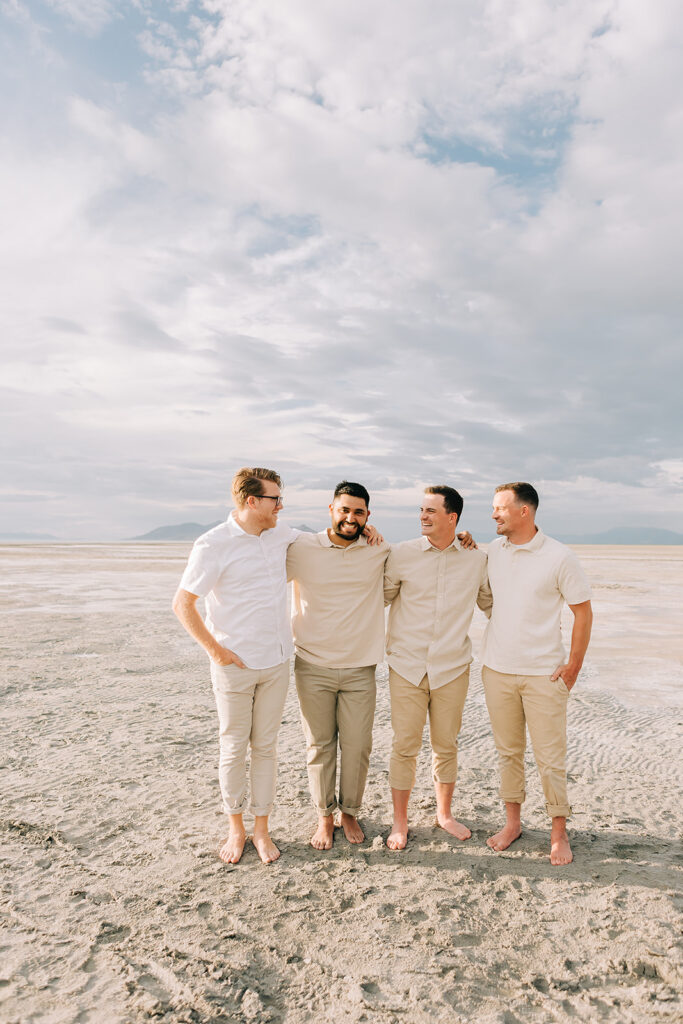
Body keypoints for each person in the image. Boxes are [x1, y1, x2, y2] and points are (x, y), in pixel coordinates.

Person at [172, 467, 294, 866]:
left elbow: (330, 541)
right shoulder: (213, 544)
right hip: (235, 666)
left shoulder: (282, 535)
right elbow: (183, 604)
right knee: (233, 748)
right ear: (251, 501)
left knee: (266, 749)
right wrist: (217, 652)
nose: (281, 505)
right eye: (275, 499)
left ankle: (262, 829)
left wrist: (368, 529)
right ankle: (236, 829)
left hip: (277, 662)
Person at [481, 482, 593, 866]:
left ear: (524, 511)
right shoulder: (493, 551)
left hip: (544, 675)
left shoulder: (559, 556)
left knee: (550, 757)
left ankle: (558, 832)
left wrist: (573, 665)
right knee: (508, 753)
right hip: (496, 670)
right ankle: (512, 824)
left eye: (500, 508)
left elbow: (583, 611)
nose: (493, 514)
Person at [383, 486, 492, 851]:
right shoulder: (400, 554)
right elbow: (374, 596)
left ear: (453, 517)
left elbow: (493, 606)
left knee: (446, 744)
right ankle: (401, 821)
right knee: (405, 745)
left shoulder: (477, 559)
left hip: (452, 667)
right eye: (421, 510)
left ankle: (444, 814)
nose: (423, 517)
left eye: (431, 511)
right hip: (406, 666)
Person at [286, 482, 390, 849]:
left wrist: (465, 538)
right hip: (312, 665)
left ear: (367, 517)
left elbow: (425, 558)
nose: (350, 518)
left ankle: (349, 811)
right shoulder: (302, 548)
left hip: (361, 667)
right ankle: (323, 816)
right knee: (320, 744)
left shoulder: (379, 551)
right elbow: (260, 567)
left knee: (359, 745)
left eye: (359, 512)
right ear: (330, 509)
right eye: (344, 510)